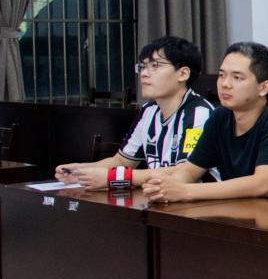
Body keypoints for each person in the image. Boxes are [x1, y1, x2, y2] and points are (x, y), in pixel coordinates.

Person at [141, 42, 268, 203]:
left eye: (237, 77)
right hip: (251, 211)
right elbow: (190, 171)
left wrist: (185, 191)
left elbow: (262, 185)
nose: (225, 84)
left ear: (263, 87)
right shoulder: (220, 117)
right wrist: (164, 188)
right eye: (222, 75)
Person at [55, 36, 216, 190]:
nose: (144, 73)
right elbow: (122, 161)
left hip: (203, 204)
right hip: (165, 199)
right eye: (143, 67)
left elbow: (185, 172)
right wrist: (80, 171)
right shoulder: (148, 112)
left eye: (155, 65)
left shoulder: (199, 114)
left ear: (183, 74)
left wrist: (115, 178)